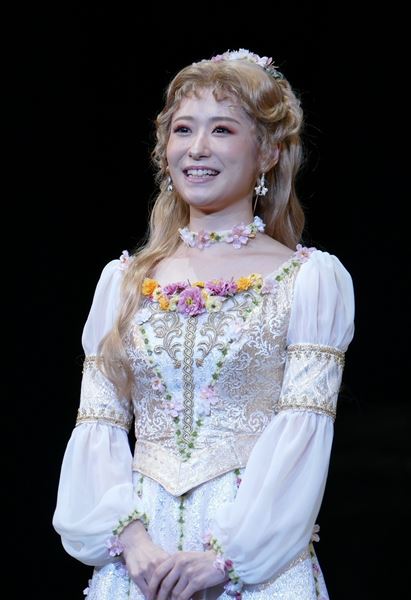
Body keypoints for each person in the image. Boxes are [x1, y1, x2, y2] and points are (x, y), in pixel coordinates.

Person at [53, 48, 355, 600]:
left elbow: (304, 433)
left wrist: (227, 560)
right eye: (183, 129)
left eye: (222, 130)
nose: (197, 148)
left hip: (253, 564)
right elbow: (99, 421)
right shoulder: (122, 282)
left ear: (267, 152)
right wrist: (131, 542)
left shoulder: (309, 281)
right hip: (140, 563)